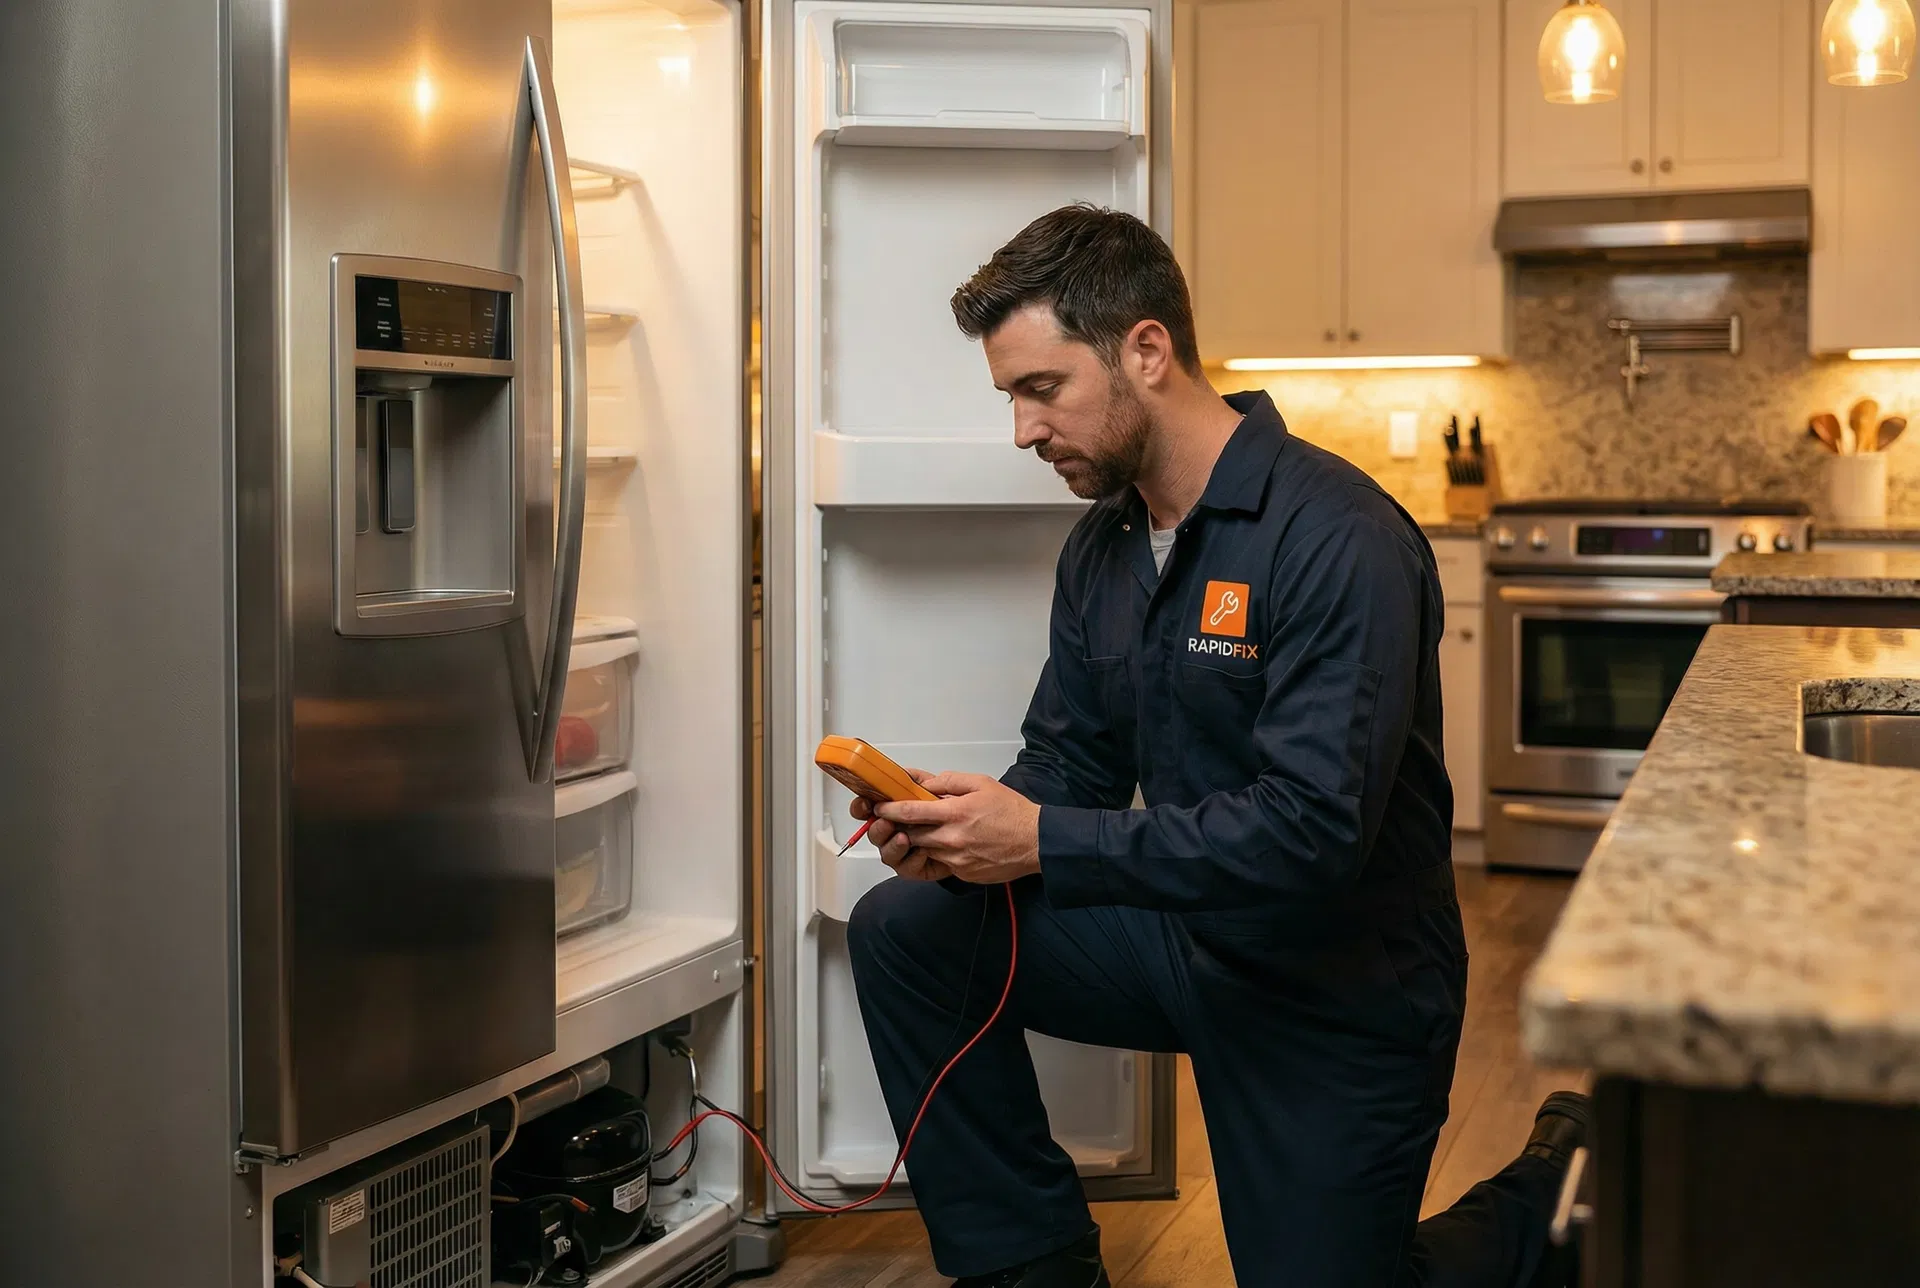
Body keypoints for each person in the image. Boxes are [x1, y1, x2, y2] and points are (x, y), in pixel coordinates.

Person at [842, 204, 1589, 1288]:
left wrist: (1043, 839)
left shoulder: (1340, 538)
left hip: (1340, 980)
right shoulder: (1102, 549)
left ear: (1146, 350)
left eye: (1041, 388)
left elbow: (1310, 834)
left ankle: (1550, 1189)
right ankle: (1033, 1269)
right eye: (1010, 396)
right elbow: (1069, 764)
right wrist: (966, 834)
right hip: (1186, 942)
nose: (1022, 430)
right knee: (908, 926)